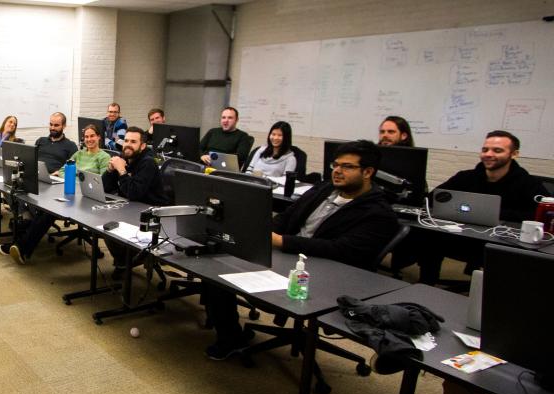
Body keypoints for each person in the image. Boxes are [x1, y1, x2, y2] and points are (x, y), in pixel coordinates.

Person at [203, 140, 398, 359]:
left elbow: (342, 251)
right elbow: (288, 216)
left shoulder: (378, 213)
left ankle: (229, 341)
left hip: (327, 275)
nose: (337, 171)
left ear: (368, 172)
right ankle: (230, 336)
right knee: (216, 267)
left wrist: (282, 242)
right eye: (336, 165)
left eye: (347, 166)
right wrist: (264, 233)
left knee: (225, 275)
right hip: (290, 258)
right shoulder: (326, 188)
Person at [412, 131, 548, 284]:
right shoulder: (466, 176)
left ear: (514, 154)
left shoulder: (528, 183)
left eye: (497, 150)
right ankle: (426, 284)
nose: (488, 154)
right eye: (485, 150)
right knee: (429, 237)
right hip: (464, 236)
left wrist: (497, 214)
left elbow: (539, 215)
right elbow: (433, 197)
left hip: (500, 241)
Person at [0, 112, 77, 264]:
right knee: (10, 186)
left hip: (54, 183)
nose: (52, 128)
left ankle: (19, 242)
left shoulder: (70, 146)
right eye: (51, 124)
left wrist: (58, 172)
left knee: (43, 212)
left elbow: (72, 165)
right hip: (35, 177)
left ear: (64, 126)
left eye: (56, 125)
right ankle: (25, 215)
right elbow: (29, 157)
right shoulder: (41, 141)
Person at [102, 127, 169, 277]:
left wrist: (122, 171)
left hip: (151, 211)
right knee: (103, 224)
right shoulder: (124, 157)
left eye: (133, 142)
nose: (128, 145)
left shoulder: (148, 163)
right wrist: (110, 171)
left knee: (113, 226)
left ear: (143, 146)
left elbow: (134, 193)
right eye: (126, 141)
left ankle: (131, 260)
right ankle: (124, 261)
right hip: (131, 207)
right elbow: (105, 188)